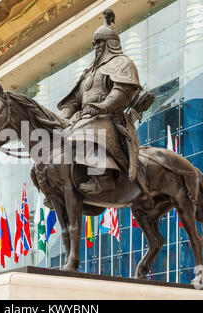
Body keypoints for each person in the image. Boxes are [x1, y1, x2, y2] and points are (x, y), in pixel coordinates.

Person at [57, 9, 142, 195]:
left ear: (110, 43)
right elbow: (74, 101)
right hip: (85, 116)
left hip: (109, 117)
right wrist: (64, 116)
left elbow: (123, 90)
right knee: (55, 137)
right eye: (94, 43)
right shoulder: (89, 72)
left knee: (88, 129)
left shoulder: (122, 63)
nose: (96, 47)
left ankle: (102, 178)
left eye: (99, 43)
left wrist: (103, 106)